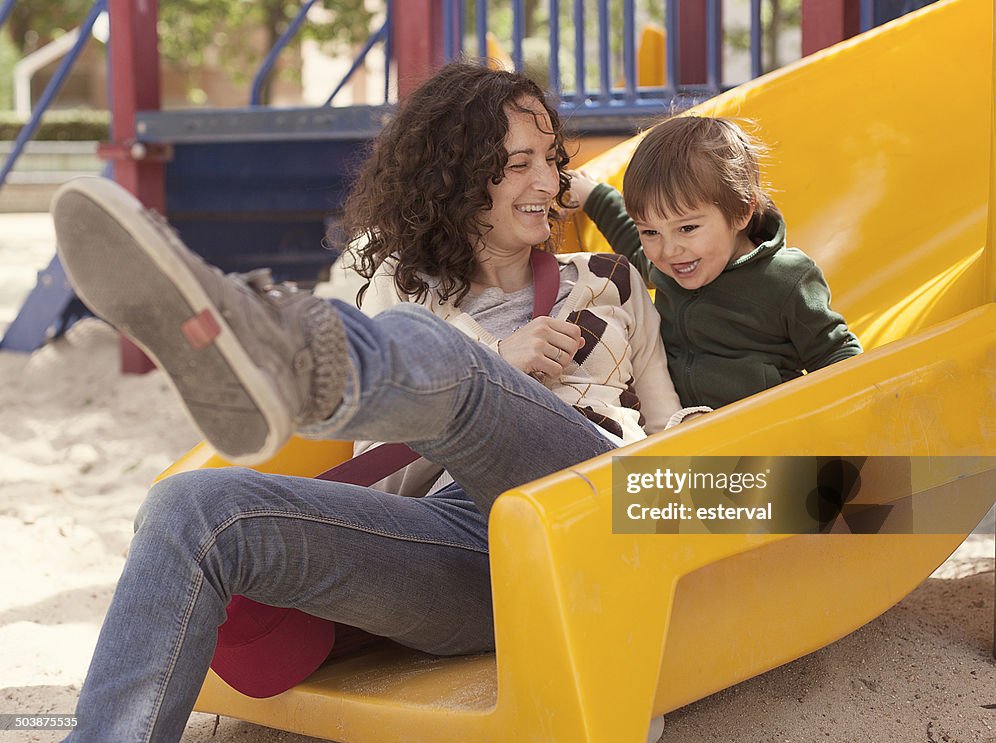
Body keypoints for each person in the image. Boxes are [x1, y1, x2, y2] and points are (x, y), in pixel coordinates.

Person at [52, 62, 681, 742]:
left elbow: (672, 421)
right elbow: (384, 474)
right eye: (517, 164)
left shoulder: (609, 281)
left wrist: (769, 485)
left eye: (551, 160)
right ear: (461, 177)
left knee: (433, 351)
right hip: (464, 552)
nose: (548, 183)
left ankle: (281, 347)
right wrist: (498, 360)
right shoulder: (397, 288)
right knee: (188, 506)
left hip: (599, 507)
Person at [570, 115, 862, 409]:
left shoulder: (786, 279)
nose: (669, 250)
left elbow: (835, 353)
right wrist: (594, 196)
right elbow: (633, 246)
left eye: (687, 228)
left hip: (765, 436)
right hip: (682, 433)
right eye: (651, 232)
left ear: (741, 213)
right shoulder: (668, 268)